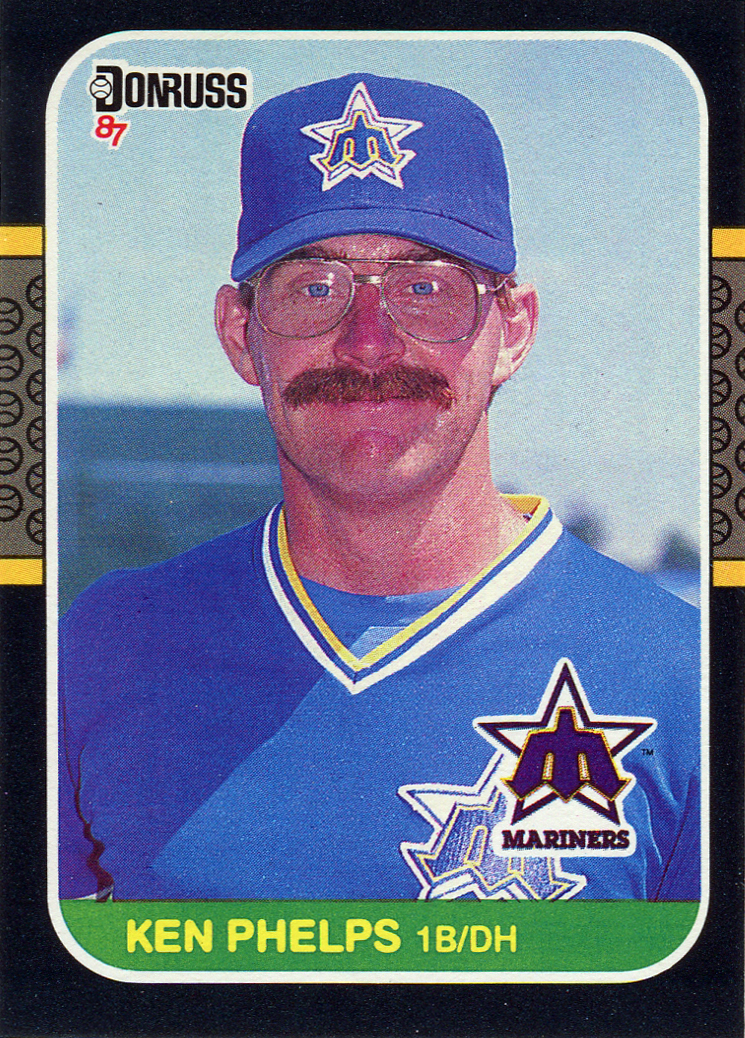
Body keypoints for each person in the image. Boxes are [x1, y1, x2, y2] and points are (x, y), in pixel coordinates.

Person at [59, 73, 700, 902]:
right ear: (240, 334)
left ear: (512, 330)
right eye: (313, 288)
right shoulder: (107, 647)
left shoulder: (683, 673)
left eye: (425, 288)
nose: (367, 343)